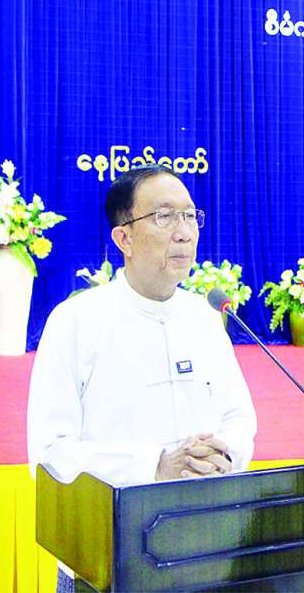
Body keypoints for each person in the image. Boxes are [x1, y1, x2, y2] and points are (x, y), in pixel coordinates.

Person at [28, 163, 256, 516]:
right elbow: (50, 453)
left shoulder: (204, 316)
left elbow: (238, 416)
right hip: (113, 529)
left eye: (190, 216)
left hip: (205, 520)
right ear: (124, 239)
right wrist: (155, 466)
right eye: (164, 217)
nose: (185, 233)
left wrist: (222, 454)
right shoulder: (75, 321)